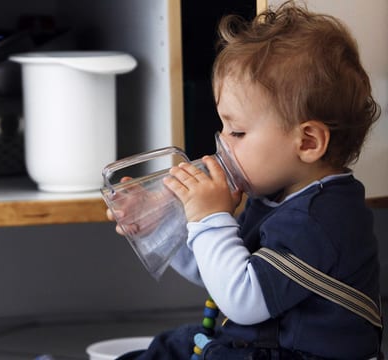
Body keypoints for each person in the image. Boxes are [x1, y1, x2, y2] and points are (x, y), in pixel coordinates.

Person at [107, 1, 382, 359]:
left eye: (237, 131)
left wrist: (210, 218)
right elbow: (220, 270)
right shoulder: (278, 193)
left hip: (298, 353)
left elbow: (242, 298)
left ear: (308, 142)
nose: (221, 142)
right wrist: (160, 222)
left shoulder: (321, 219)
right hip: (261, 344)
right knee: (172, 345)